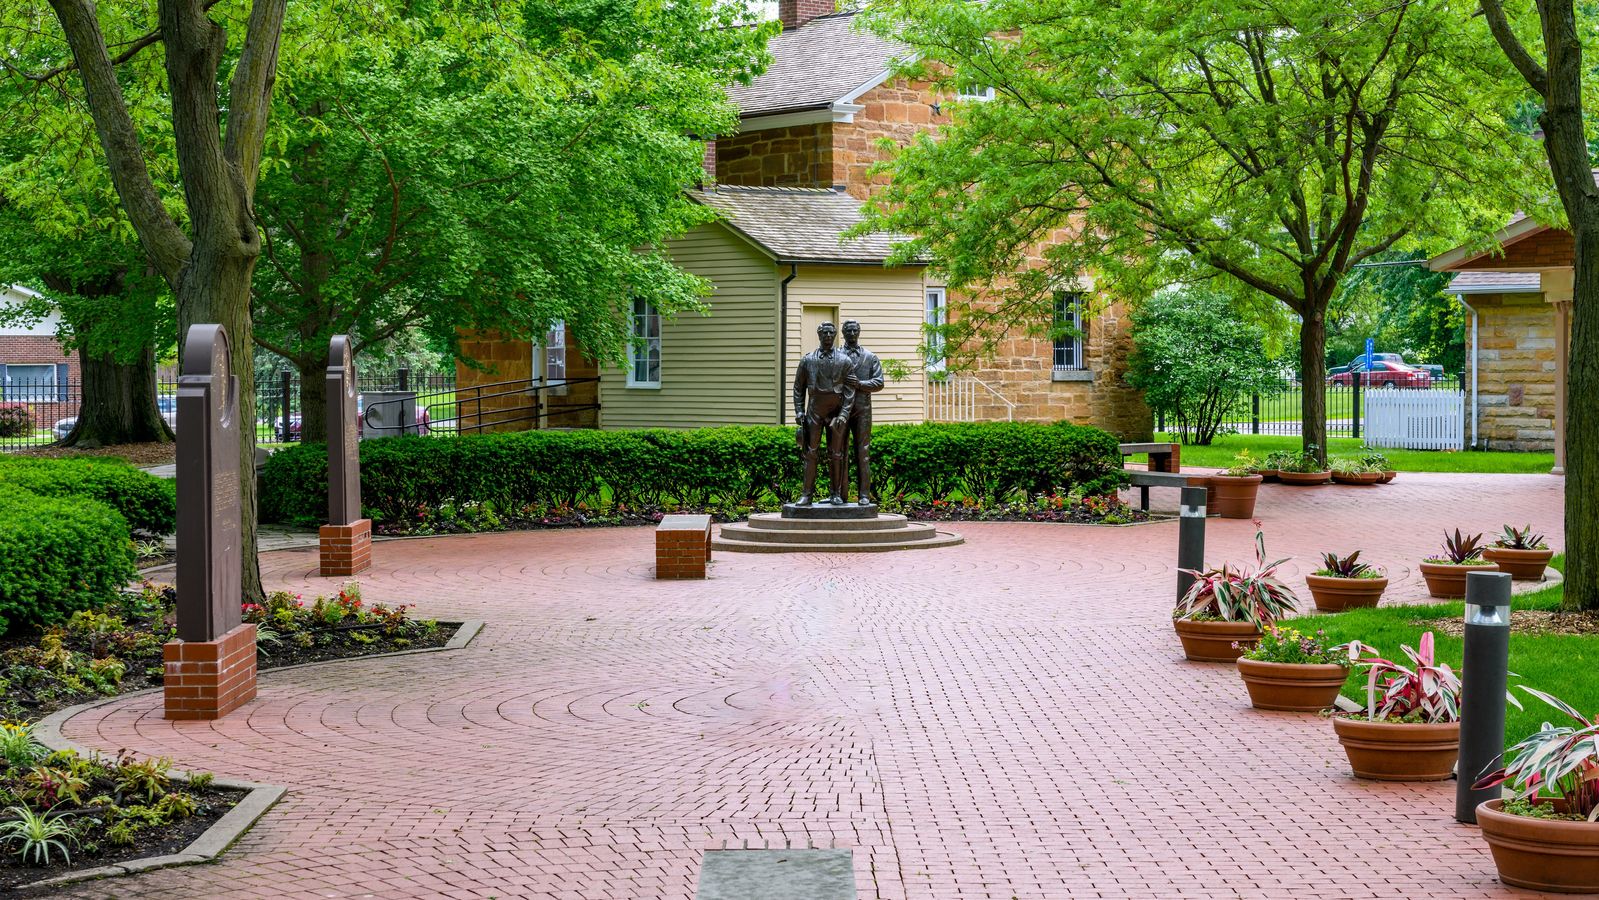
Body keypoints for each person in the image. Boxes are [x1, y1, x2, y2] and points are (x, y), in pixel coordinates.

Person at [792, 321, 855, 505]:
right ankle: (807, 494)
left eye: (830, 333)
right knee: (811, 452)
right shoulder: (807, 360)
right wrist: (798, 411)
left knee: (836, 453)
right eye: (824, 333)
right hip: (814, 409)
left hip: (836, 409)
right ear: (819, 335)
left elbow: (850, 390)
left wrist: (843, 414)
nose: (827, 336)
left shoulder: (844, 361)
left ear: (835, 336)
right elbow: (798, 388)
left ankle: (835, 493)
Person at [840, 320, 884, 504]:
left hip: (862, 410)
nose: (851, 333)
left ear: (859, 332)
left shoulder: (870, 357)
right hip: (840, 409)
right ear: (843, 333)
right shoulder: (836, 356)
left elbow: (879, 382)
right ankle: (839, 495)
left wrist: (860, 384)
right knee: (839, 453)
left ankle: (864, 495)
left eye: (854, 330)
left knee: (863, 453)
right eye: (848, 330)